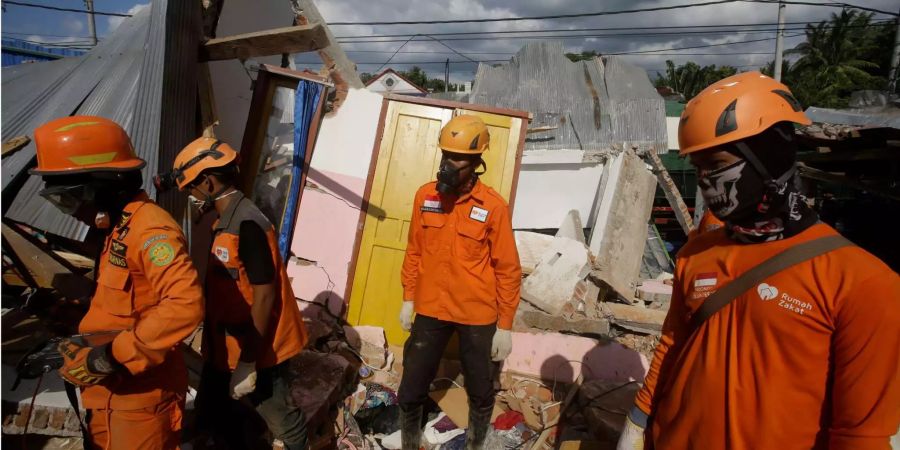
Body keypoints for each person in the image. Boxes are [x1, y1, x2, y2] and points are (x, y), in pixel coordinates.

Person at [617, 72, 900, 450]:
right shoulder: (697, 253)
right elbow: (672, 343)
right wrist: (639, 417)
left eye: (715, 164)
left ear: (767, 159)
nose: (704, 181)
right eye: (697, 167)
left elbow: (860, 434)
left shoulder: (862, 282)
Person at [32, 116, 204, 449]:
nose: (73, 212)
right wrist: (73, 314)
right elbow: (128, 301)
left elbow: (186, 305)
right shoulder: (117, 228)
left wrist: (108, 358)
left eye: (72, 199)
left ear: (104, 186)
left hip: (140, 402)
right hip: (108, 396)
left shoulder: (151, 231)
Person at [164, 137, 309, 450]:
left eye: (191, 187)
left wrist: (248, 362)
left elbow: (265, 296)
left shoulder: (247, 224)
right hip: (225, 345)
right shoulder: (225, 221)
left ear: (210, 183)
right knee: (211, 410)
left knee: (280, 417)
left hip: (260, 346)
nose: (190, 195)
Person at [397, 115, 522, 450]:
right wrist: (409, 297)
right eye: (445, 157)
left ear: (477, 163)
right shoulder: (426, 196)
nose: (448, 166)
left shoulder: (493, 207)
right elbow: (414, 251)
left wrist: (505, 325)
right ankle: (410, 441)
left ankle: (476, 444)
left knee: (481, 389)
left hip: (476, 313)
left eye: (458, 160)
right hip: (430, 307)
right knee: (411, 384)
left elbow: (508, 268)